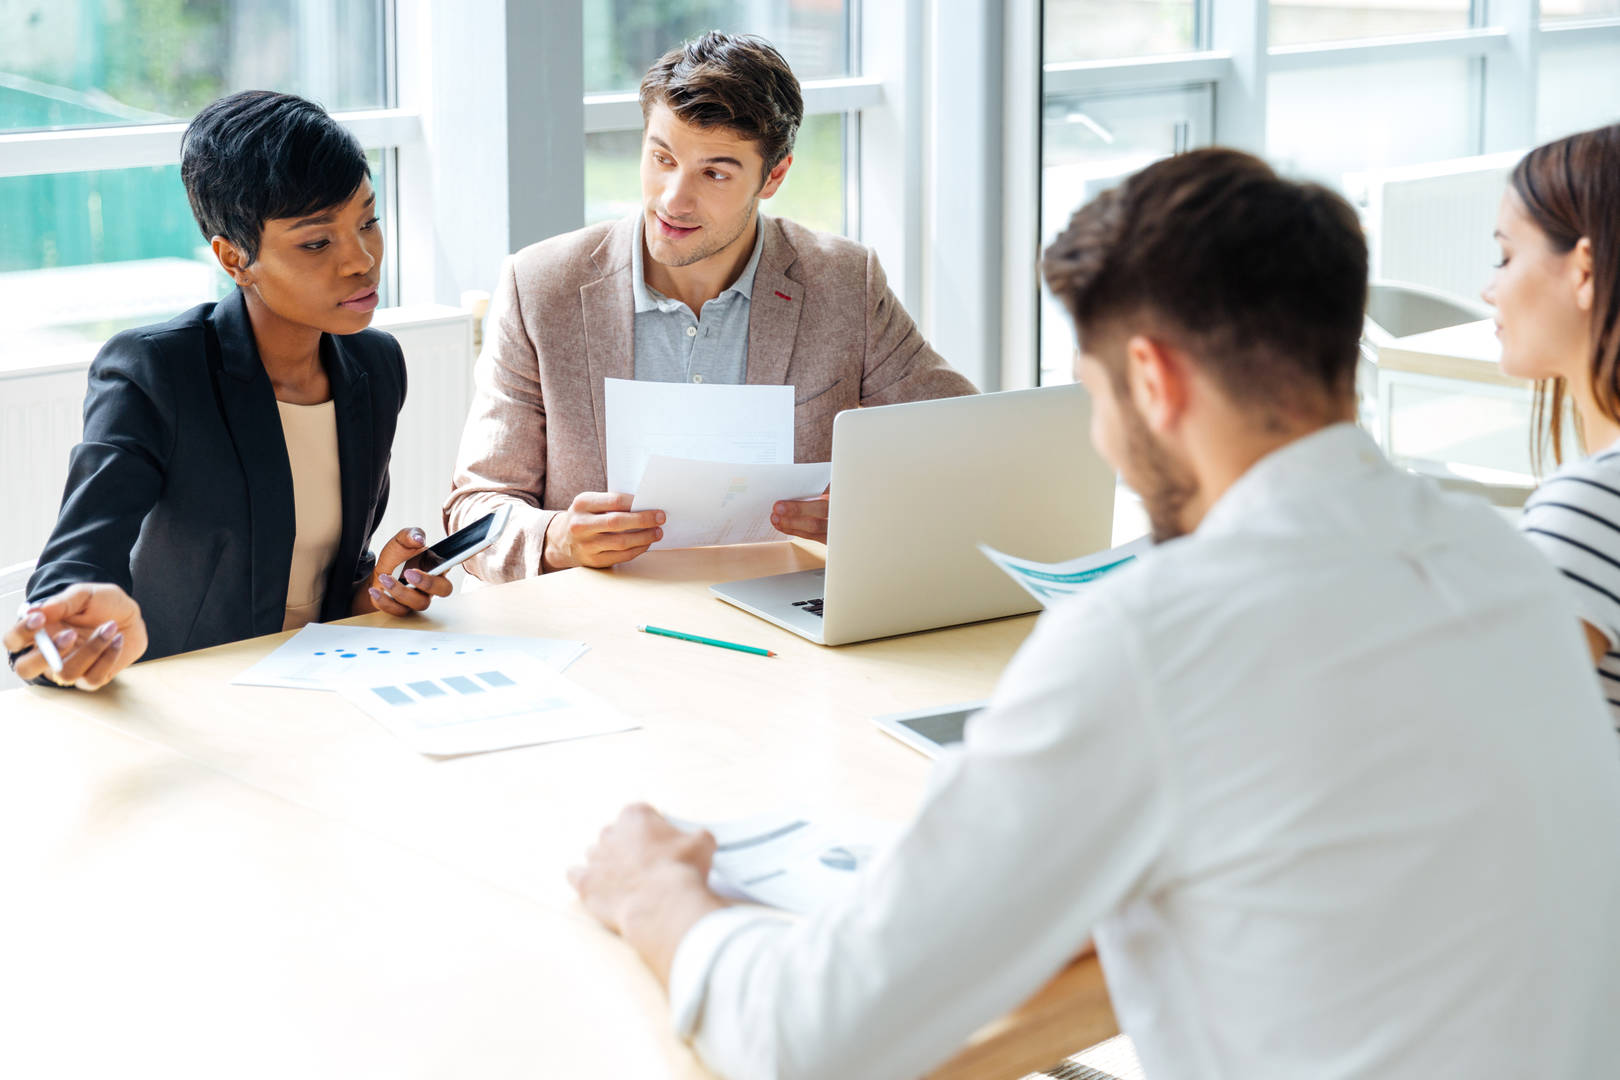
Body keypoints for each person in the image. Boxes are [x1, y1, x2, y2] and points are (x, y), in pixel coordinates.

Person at [568, 149, 1620, 1079]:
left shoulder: (1156, 636)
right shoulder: (1497, 555)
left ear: (1153, 381)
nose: (1106, 441)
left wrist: (655, 894)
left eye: (1095, 397)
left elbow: (814, 1039)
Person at [445, 32, 975, 580]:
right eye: (662, 157)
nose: (674, 198)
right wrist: (557, 539)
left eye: (715, 173)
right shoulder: (540, 288)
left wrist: (871, 509)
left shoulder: (845, 284)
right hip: (600, 629)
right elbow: (475, 512)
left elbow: (968, 443)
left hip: (784, 625)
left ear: (774, 176)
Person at [10, 91, 450, 690]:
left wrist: (373, 592)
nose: (363, 259)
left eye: (368, 219)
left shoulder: (374, 364)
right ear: (234, 257)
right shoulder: (156, 371)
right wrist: (66, 623)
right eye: (317, 242)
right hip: (188, 696)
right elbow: (79, 554)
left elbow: (319, 581)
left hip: (324, 684)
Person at [1483, 122, 1620, 731]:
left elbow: (1498, 743)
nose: (1490, 289)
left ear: (1583, 270)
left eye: (1506, 256)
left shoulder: (1594, 504)